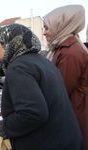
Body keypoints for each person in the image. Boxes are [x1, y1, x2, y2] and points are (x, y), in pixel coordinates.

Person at [0, 24, 83, 150]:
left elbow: (32, 114)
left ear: (9, 43)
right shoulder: (42, 61)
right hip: (65, 139)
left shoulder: (19, 66)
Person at [43, 5, 88, 149]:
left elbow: (60, 90)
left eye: (47, 28)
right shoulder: (62, 46)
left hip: (74, 112)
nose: (44, 33)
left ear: (61, 26)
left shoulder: (71, 52)